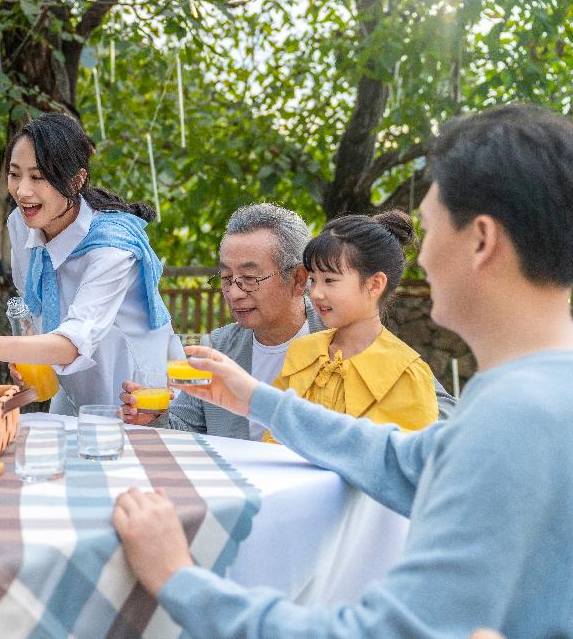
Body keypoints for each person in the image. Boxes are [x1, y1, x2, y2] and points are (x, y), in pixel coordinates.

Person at [112, 104, 573, 636]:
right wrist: (253, 398)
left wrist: (176, 576)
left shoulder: (515, 417)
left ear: (481, 241)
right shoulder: (538, 392)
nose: (419, 260)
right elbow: (398, 459)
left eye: (428, 230)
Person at [121, 203, 453, 438]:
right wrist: (155, 418)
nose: (234, 293)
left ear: (298, 279)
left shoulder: (348, 339)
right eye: (225, 278)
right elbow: (185, 428)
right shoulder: (217, 348)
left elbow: (443, 417)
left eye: (249, 278)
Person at [0, 112, 174, 415]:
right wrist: (29, 353)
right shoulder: (21, 225)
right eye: (15, 174)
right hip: (75, 397)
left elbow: (73, 342)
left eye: (38, 177)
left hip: (142, 400)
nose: (22, 191)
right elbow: (34, 305)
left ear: (76, 179)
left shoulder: (112, 247)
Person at [261, 209, 438, 441]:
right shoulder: (302, 353)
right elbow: (272, 438)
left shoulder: (406, 373)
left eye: (330, 280)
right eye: (313, 280)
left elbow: (410, 465)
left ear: (375, 284)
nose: (316, 293)